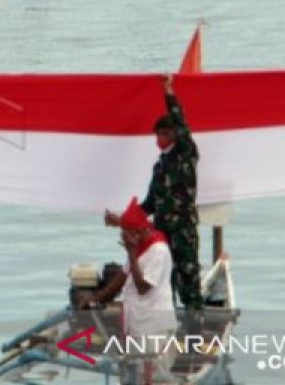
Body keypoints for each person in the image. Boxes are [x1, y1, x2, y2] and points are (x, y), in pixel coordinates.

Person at [104, 73, 202, 313]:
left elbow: (181, 124)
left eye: (164, 134)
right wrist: (122, 218)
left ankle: (197, 329)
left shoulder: (185, 154)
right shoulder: (161, 165)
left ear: (175, 135)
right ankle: (171, 327)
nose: (159, 138)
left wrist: (168, 92)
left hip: (183, 230)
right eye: (157, 134)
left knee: (188, 279)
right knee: (164, 282)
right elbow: (149, 204)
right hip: (162, 231)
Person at [83, 198, 177, 382]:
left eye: (128, 235)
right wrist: (98, 299)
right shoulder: (141, 242)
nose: (124, 239)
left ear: (140, 232)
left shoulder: (159, 251)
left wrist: (132, 252)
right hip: (137, 322)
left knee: (154, 376)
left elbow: (142, 286)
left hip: (154, 325)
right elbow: (122, 277)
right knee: (133, 372)